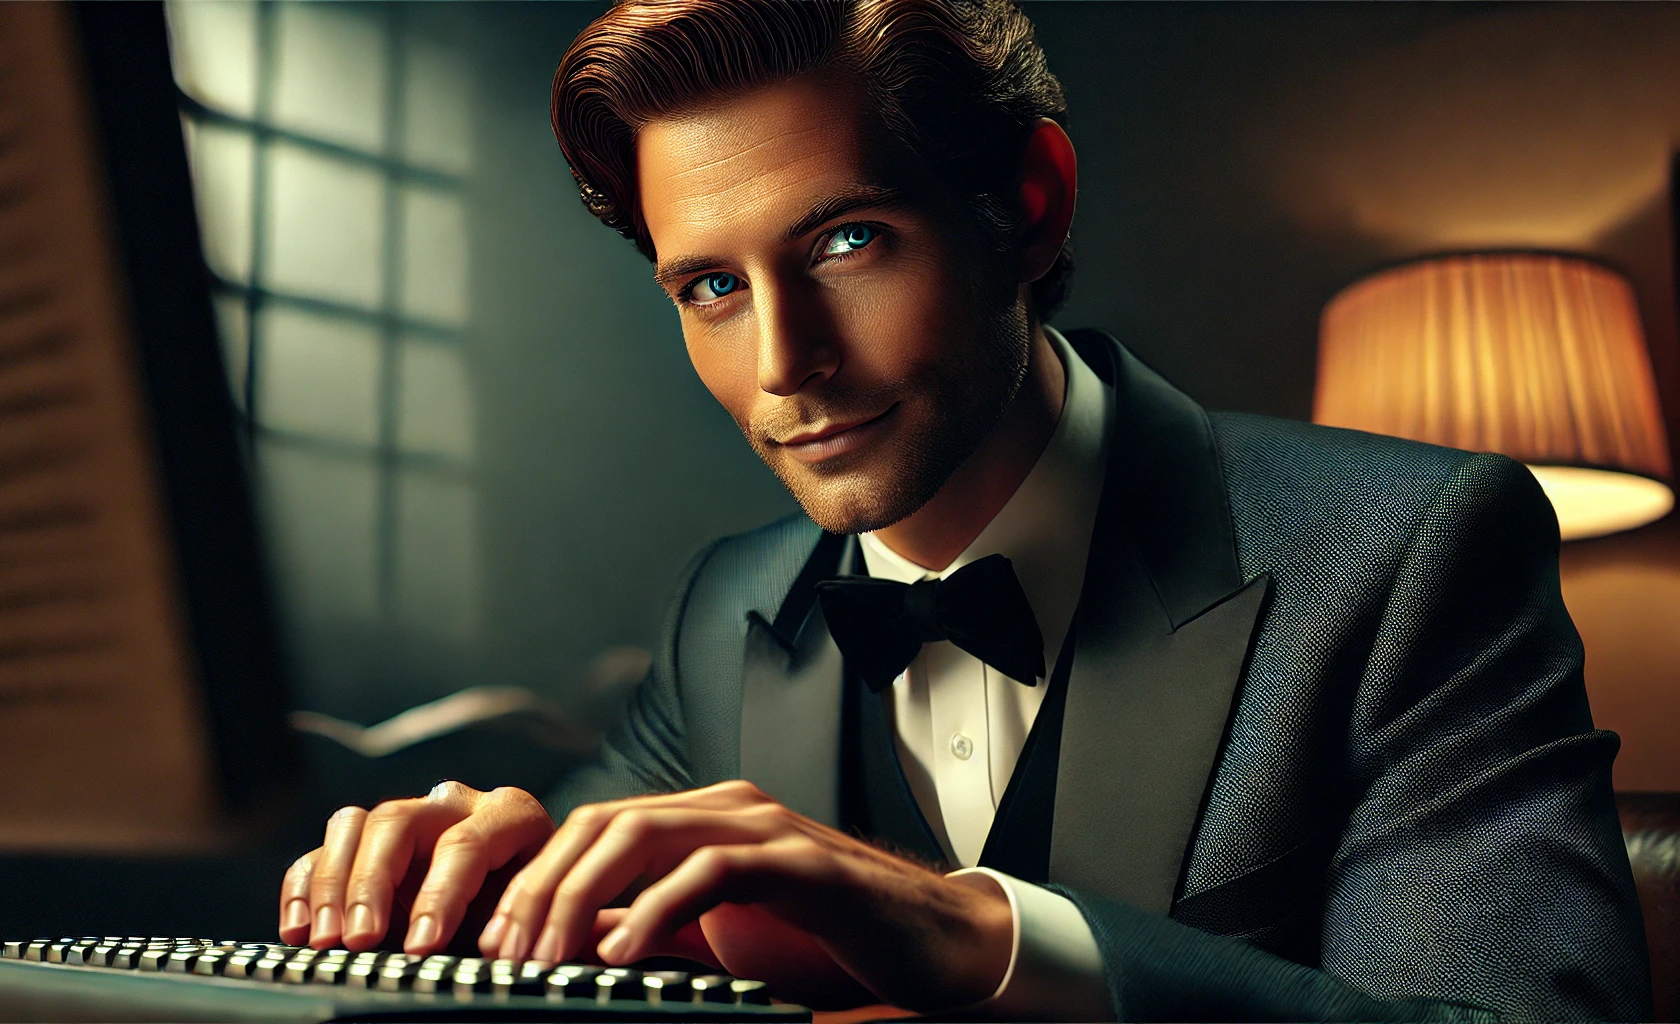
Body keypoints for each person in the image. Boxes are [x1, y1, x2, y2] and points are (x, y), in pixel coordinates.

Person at [275, 1, 1652, 1018]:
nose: (784, 362)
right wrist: (454, 881)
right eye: (710, 289)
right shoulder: (728, 608)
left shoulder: (1414, 550)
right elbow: (553, 932)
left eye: (847, 243)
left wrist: (967, 938)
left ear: (1031, 207)